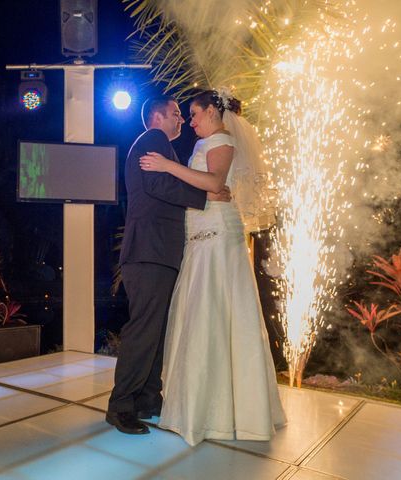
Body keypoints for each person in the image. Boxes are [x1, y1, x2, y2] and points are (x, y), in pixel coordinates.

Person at [139, 89, 287, 446]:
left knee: (211, 313)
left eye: (194, 114)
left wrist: (167, 166)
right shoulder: (210, 142)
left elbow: (215, 183)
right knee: (203, 314)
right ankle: (203, 406)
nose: (190, 121)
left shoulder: (221, 140)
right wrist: (201, 188)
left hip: (216, 235)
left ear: (212, 111)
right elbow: (208, 187)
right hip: (203, 231)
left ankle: (211, 414)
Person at [106, 95, 231, 435]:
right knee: (144, 330)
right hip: (149, 251)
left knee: (156, 331)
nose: (182, 121)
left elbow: (164, 184)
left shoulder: (159, 145)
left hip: (156, 252)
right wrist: (207, 196)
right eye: (177, 114)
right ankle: (121, 407)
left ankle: (148, 399)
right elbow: (160, 185)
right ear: (158, 117)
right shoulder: (153, 139)